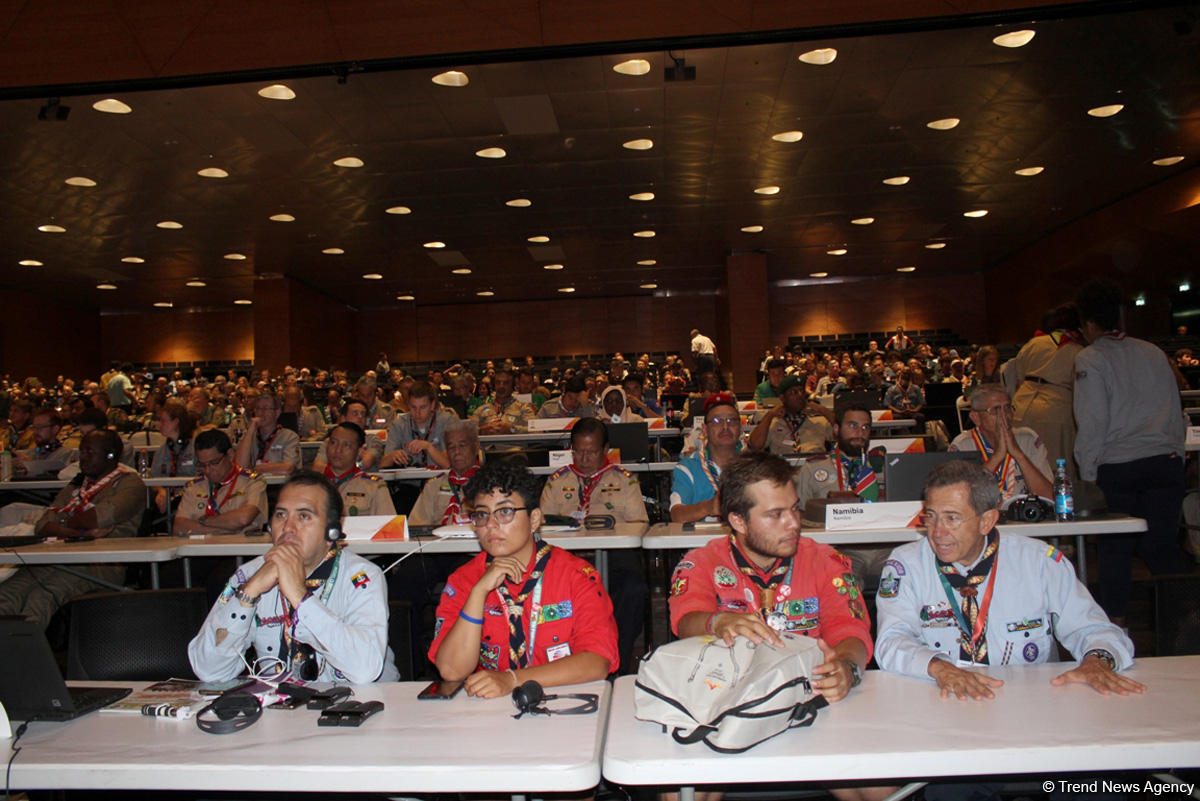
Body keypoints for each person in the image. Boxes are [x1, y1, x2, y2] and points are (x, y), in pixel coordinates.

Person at [668, 451, 885, 801]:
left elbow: (851, 630)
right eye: (775, 515)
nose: (794, 523)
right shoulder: (701, 563)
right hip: (727, 706)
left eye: (794, 508)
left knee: (882, 787)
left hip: (813, 702)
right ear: (738, 520)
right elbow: (686, 620)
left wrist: (845, 666)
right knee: (682, 791)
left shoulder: (825, 560)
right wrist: (719, 621)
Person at [875, 460, 1141, 698]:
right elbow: (891, 641)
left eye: (952, 519)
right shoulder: (906, 565)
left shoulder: (1039, 562)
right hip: (940, 696)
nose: (937, 532)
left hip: (1027, 701)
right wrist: (939, 667)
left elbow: (1095, 630)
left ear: (987, 521)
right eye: (930, 517)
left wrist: (1097, 660)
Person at [429, 460, 618, 697]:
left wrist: (513, 680)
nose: (490, 525)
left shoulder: (576, 576)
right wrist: (478, 593)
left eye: (505, 512)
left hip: (562, 700)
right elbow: (451, 670)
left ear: (535, 519)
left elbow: (597, 662)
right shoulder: (465, 580)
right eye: (481, 514)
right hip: (488, 709)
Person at [188, 471, 399, 683]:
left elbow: (365, 670)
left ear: (332, 531)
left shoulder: (362, 577)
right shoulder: (249, 576)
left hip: (356, 705)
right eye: (280, 515)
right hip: (280, 708)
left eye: (304, 516)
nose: (287, 527)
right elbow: (208, 670)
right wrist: (248, 595)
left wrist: (300, 597)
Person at [1074, 278, 1190, 622]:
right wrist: (1177, 456)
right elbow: (1175, 409)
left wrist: (1089, 473)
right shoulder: (1153, 351)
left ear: (1089, 324)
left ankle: (1116, 630)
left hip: (1120, 467)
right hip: (1164, 462)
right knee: (1163, 548)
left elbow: (1092, 421)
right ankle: (1186, 622)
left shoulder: (1090, 358)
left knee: (1114, 552)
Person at [0, 430, 145, 627]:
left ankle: (25, 654)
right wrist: (79, 533)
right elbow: (42, 525)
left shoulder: (130, 484)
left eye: (89, 452)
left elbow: (99, 518)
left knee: (41, 597)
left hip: (101, 563)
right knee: (7, 594)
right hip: (56, 557)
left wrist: (62, 523)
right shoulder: (77, 484)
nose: (82, 458)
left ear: (110, 455)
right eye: (81, 451)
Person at [539, 417, 648, 671]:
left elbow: (639, 524)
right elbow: (541, 526)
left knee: (633, 589)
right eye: (578, 451)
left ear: (606, 450)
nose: (584, 459)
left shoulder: (625, 480)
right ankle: (565, 660)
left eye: (592, 452)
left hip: (613, 556)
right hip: (568, 558)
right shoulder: (557, 481)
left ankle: (613, 661)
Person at [949, 386, 1052, 501]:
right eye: (995, 410)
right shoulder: (963, 445)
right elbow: (959, 498)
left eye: (1007, 408)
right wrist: (997, 456)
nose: (1004, 415)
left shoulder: (1028, 439)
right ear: (976, 417)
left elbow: (1049, 498)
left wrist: (1019, 454)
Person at [173, 429, 269, 535]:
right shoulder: (194, 487)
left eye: (214, 463)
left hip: (241, 549)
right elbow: (179, 526)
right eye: (202, 465)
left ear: (230, 455)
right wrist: (223, 530)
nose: (208, 470)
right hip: (202, 549)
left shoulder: (252, 482)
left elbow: (243, 518)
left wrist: (204, 520)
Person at [670, 393, 743, 523]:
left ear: (741, 428)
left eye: (731, 420)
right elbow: (677, 515)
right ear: (704, 430)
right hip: (703, 541)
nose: (725, 427)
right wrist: (709, 507)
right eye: (716, 421)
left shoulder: (754, 466)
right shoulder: (688, 467)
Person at [408, 419, 481, 526]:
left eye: (462, 445)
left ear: (476, 446)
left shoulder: (490, 485)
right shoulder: (433, 486)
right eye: (451, 447)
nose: (457, 452)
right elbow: (416, 526)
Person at [748, 374, 833, 455]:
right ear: (782, 398)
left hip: (815, 466)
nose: (800, 395)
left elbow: (842, 435)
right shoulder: (773, 423)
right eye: (794, 392)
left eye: (802, 391)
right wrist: (769, 415)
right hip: (784, 467)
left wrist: (823, 410)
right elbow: (755, 446)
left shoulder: (818, 420)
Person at [323, 423, 395, 517]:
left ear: (359, 452)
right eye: (333, 442)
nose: (338, 450)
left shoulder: (374, 487)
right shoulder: (312, 484)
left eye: (346, 445)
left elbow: (388, 528)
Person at [380, 381, 454, 468]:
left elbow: (449, 464)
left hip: (440, 478)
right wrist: (392, 456)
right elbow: (383, 464)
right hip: (407, 479)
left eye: (422, 407)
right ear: (408, 405)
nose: (417, 412)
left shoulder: (446, 421)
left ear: (432, 405)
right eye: (413, 407)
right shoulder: (399, 424)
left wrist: (429, 447)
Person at [149, 398, 198, 513]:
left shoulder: (196, 447)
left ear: (175, 422)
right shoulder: (162, 450)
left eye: (163, 421)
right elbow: (153, 478)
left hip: (191, 498)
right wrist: (161, 491)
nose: (159, 425)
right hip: (166, 499)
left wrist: (175, 497)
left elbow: (201, 479)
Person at [235, 392, 301, 476]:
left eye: (266, 408)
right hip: (251, 486)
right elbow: (239, 466)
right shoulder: (248, 436)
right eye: (258, 408)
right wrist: (250, 430)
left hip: (278, 486)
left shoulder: (290, 437)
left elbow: (288, 468)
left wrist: (252, 469)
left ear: (277, 413)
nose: (261, 413)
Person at [312, 399, 384, 472]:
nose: (360, 417)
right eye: (355, 413)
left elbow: (366, 463)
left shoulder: (372, 439)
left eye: (363, 414)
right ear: (343, 418)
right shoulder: (330, 441)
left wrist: (335, 469)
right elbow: (317, 467)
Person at [13, 407, 72, 478]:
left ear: (55, 429)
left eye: (40, 427)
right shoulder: (28, 454)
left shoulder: (66, 454)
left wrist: (30, 465)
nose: (36, 431)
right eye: (34, 427)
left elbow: (57, 479)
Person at [470, 370, 535, 434]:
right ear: (494, 386)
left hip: (512, 444)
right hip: (487, 444)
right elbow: (468, 431)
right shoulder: (481, 409)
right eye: (498, 383)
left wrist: (512, 429)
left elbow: (535, 430)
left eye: (506, 383)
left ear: (513, 387)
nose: (501, 386)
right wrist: (482, 430)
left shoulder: (524, 408)